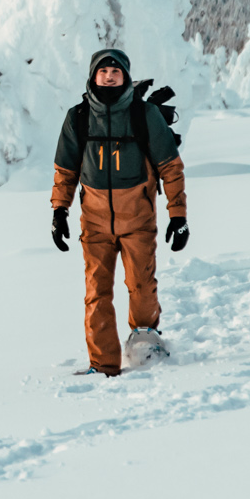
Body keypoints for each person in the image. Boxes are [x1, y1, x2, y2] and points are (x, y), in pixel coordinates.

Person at [51, 49, 189, 375]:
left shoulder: (145, 115)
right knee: (96, 294)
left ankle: (146, 347)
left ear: (126, 76)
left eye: (116, 70)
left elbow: (170, 167)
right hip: (94, 222)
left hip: (138, 219)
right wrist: (59, 211)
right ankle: (103, 365)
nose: (110, 75)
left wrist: (178, 215)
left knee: (141, 289)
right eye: (103, 71)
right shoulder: (79, 117)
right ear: (93, 76)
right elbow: (65, 169)